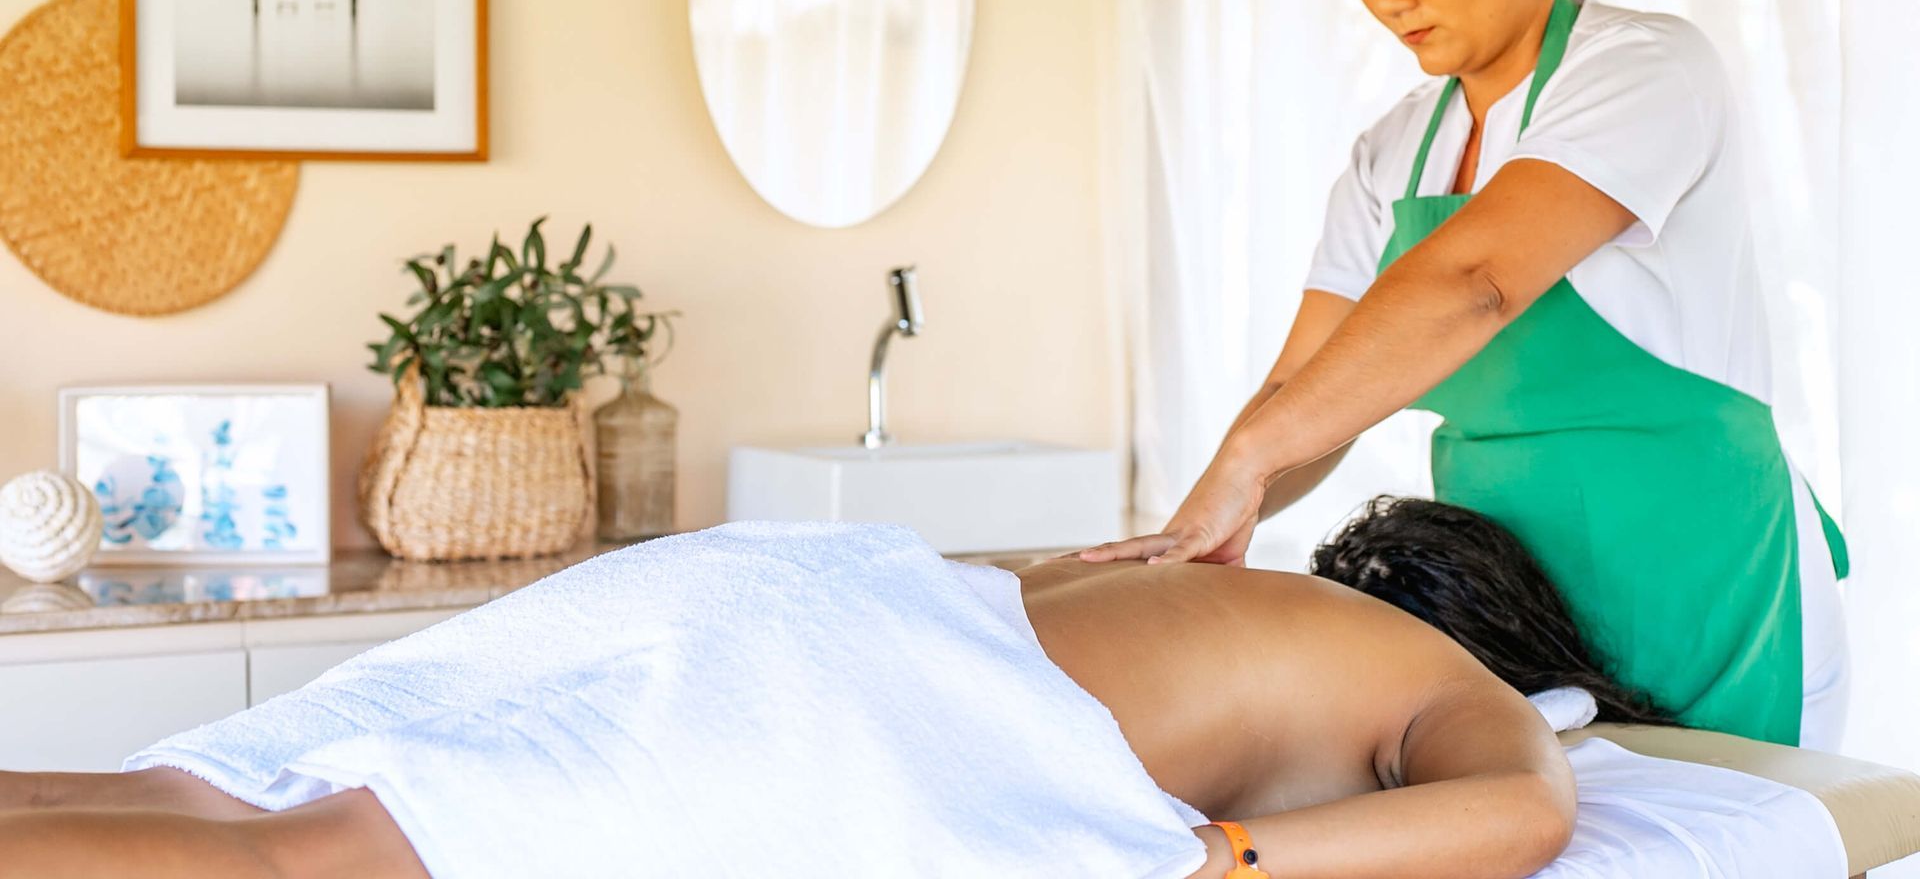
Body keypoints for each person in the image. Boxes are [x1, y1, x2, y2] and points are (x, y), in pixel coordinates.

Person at [1082, 0, 1849, 750]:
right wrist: (1203, 527)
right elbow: (1305, 389)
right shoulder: (1392, 150)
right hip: (1507, 602)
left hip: (1702, 567)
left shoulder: (1644, 69)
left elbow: (1477, 278)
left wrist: (1255, 459)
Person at [0, 508, 1599, 879]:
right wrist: (1211, 860)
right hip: (870, 682)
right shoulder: (1449, 683)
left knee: (230, 787)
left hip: (797, 580)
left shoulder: (1231, 584)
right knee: (328, 855)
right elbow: (1529, 807)